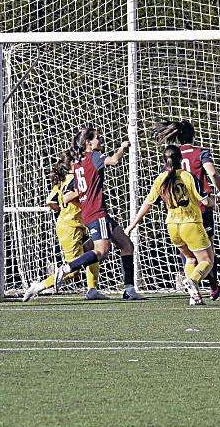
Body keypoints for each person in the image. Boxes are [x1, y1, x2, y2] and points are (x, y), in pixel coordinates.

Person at [23, 126, 142, 301]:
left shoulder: (78, 163)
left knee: (126, 245)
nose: (100, 140)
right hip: (96, 213)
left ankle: (128, 289)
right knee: (101, 252)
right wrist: (123, 148)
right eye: (97, 138)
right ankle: (65, 269)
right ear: (88, 142)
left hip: (92, 214)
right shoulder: (94, 156)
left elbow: (72, 192)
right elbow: (114, 160)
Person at [125, 145, 213, 305]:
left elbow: (147, 204)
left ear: (164, 161)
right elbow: (205, 201)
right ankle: (193, 280)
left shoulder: (160, 179)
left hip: (172, 227)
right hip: (190, 224)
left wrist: (132, 226)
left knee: (189, 259)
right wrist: (216, 201)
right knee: (207, 261)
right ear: (180, 158)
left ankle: (194, 296)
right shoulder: (187, 176)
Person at [22, 155, 104, 301]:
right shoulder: (74, 179)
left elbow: (50, 201)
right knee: (73, 271)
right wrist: (84, 192)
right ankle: (38, 286)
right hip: (70, 227)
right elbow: (67, 197)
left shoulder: (62, 181)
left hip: (77, 224)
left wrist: (63, 210)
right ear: (72, 165)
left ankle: (92, 289)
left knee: (92, 251)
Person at [170, 120, 220, 300]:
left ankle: (193, 290)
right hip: (201, 207)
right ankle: (213, 287)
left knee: (188, 253)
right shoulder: (201, 152)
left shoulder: (173, 155)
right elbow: (212, 173)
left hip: (180, 210)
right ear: (193, 136)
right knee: (208, 248)